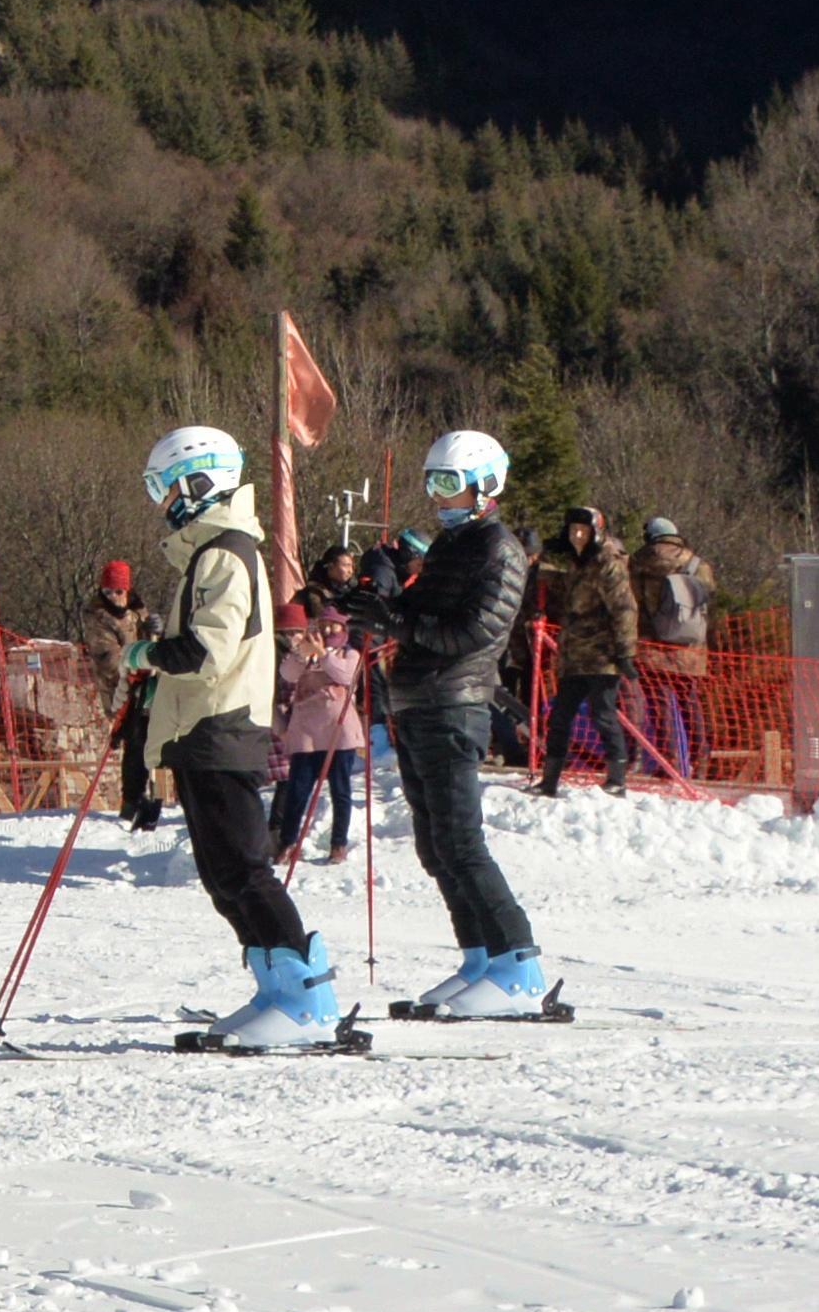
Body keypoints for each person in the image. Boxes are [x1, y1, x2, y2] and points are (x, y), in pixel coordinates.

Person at [137, 426, 344, 1050]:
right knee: (222, 872)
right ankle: (275, 986)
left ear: (201, 482)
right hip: (206, 728)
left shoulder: (225, 552)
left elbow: (208, 647)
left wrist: (146, 653)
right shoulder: (209, 550)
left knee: (245, 869)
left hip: (222, 725)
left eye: (169, 486)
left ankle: (307, 996)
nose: (165, 500)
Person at [375, 429, 554, 1018]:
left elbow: (472, 633)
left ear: (485, 485)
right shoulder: (454, 545)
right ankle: (480, 957)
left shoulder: (496, 547)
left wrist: (401, 623)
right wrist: (380, 603)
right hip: (420, 701)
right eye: (433, 485)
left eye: (450, 484)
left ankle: (519, 962)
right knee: (434, 845)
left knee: (461, 840)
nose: (440, 498)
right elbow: (423, 613)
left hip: (456, 702)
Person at [534, 506, 638, 795]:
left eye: (584, 530)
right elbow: (572, 594)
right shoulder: (577, 563)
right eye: (573, 530)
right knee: (560, 716)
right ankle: (549, 780)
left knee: (603, 713)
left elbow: (624, 608)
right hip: (574, 654)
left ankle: (617, 779)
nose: (577, 535)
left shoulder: (607, 563)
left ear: (596, 532)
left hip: (603, 654)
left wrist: (625, 651)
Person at [271, 593, 365, 867]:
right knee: (297, 791)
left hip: (339, 732)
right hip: (307, 734)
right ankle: (288, 842)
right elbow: (287, 674)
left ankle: (339, 843)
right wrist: (302, 653)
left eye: (334, 626)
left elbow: (346, 677)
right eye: (323, 625)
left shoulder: (349, 654)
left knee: (341, 790)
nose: (327, 630)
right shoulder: (306, 656)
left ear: (343, 629)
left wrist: (324, 655)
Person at [75, 557, 162, 828]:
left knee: (153, 736)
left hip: (145, 681)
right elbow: (107, 659)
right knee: (135, 737)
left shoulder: (137, 611)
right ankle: (132, 800)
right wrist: (134, 669)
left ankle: (150, 793)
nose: (113, 597)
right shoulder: (98, 618)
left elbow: (152, 642)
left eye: (118, 591)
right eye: (108, 591)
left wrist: (156, 632)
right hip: (120, 689)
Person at [636, 518, 716, 781]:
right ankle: (700, 759)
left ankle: (667, 761)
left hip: (653, 645)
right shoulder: (697, 564)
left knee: (658, 705)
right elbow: (708, 596)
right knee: (689, 702)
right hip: (689, 647)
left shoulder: (638, 562)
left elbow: (631, 600)